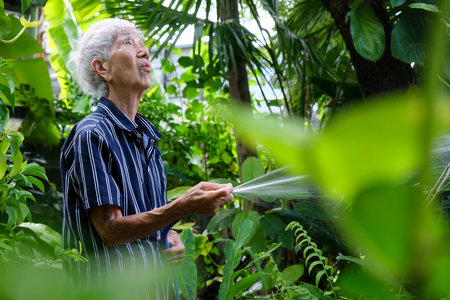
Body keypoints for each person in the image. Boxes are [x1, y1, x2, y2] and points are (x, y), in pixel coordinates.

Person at [60, 18, 233, 299]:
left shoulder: (147, 139)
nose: (144, 51)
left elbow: (152, 223)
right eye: (128, 43)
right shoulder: (92, 135)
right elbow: (111, 230)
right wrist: (181, 207)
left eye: (143, 44)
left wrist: (170, 236)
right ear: (102, 68)